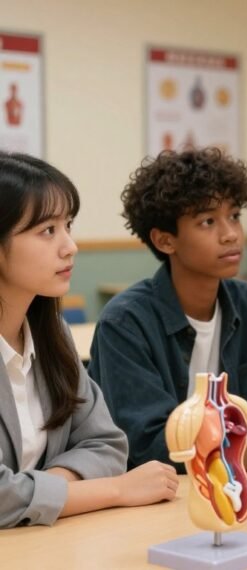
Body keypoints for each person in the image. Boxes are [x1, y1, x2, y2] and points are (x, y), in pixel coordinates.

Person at [89, 148, 247, 476]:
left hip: (236, 487)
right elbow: (148, 442)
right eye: (207, 221)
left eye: (234, 215)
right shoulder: (125, 322)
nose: (231, 233)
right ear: (165, 241)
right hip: (158, 496)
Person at [0, 152, 177, 528]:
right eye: (48, 230)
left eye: (68, 226)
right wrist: (116, 490)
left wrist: (44, 492)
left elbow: (108, 443)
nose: (70, 246)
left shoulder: (53, 334)